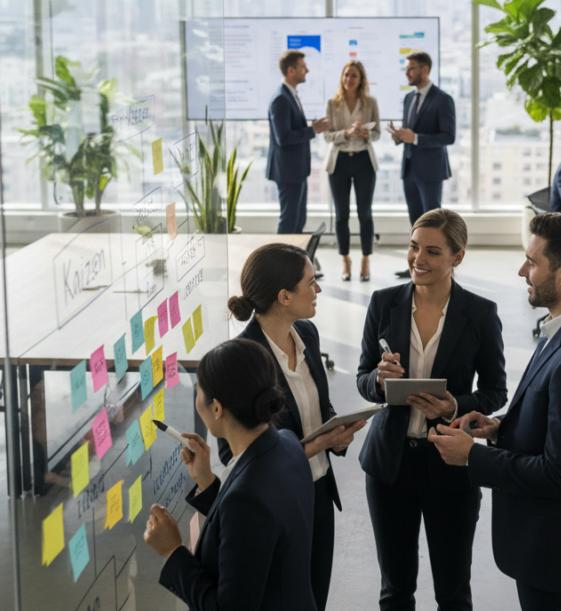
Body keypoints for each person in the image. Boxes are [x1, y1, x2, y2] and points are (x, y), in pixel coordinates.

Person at [427, 212, 561, 611]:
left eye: (532, 263)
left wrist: (472, 457)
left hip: (555, 548)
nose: (522, 270)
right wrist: (499, 427)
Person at [355, 209, 507, 611]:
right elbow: (362, 378)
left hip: (450, 464)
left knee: (453, 592)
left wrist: (456, 403)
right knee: (395, 590)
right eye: (413, 246)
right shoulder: (383, 303)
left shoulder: (480, 314)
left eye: (433, 252)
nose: (417, 259)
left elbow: (495, 391)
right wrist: (379, 380)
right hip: (390, 464)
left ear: (457, 256)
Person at [226, 242, 366, 611]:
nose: (318, 289)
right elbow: (235, 453)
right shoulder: (244, 360)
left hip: (318, 493)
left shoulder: (307, 334)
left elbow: (319, 406)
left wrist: (336, 435)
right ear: (284, 296)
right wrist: (315, 446)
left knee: (316, 598)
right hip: (277, 501)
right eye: (311, 281)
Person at [143, 338, 317, 611]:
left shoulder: (246, 499)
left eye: (199, 392)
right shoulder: (287, 443)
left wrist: (173, 551)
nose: (196, 400)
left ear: (216, 409)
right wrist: (208, 483)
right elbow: (254, 535)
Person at [387, 51, 456, 278]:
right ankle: (417, 266)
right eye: (406, 69)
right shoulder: (409, 98)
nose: (407, 73)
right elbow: (410, 132)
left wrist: (415, 137)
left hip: (431, 171)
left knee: (434, 223)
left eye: (411, 68)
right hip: (409, 169)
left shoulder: (443, 99)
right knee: (415, 222)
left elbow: (448, 137)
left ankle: (437, 268)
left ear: (424, 70)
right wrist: (400, 136)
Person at [324, 60, 381, 281]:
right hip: (338, 162)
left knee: (364, 214)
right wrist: (346, 133)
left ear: (361, 79)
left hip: (364, 161)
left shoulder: (370, 102)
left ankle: (366, 259)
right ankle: (345, 259)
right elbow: (328, 135)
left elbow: (377, 134)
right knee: (341, 215)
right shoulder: (332, 103)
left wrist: (366, 134)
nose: (349, 79)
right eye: (346, 75)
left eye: (354, 75)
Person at [267, 49, 332, 235]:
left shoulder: (290, 95)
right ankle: (279, 263)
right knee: (289, 221)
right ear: (291, 70)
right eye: (303, 67)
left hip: (295, 170)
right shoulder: (281, 98)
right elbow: (284, 137)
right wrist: (313, 130)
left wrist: (312, 128)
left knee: (298, 220)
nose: (307, 71)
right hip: (288, 171)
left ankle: (293, 262)